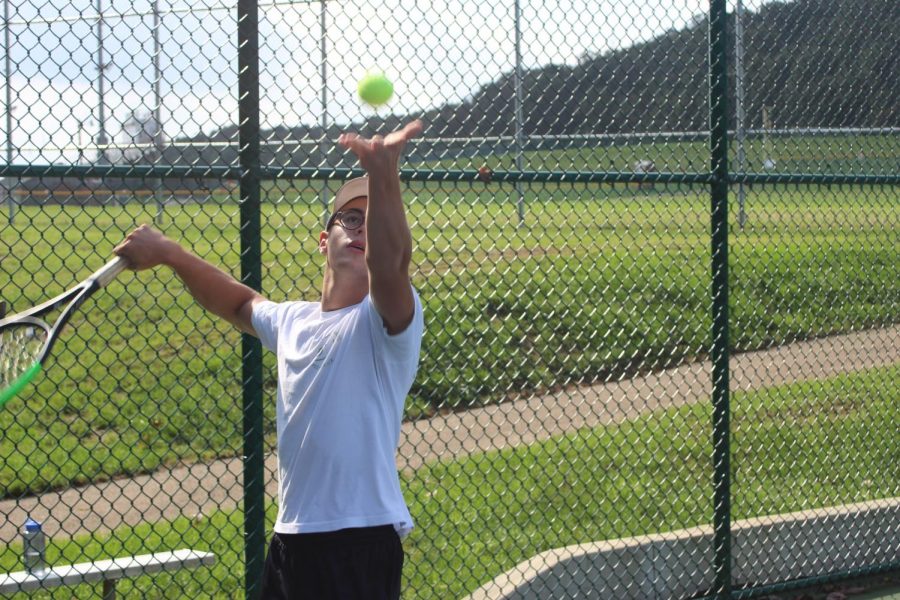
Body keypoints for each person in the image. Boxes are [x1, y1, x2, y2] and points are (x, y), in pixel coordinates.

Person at [114, 120, 425, 600]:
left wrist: (385, 176)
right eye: (351, 219)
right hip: (291, 540)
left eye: (373, 218)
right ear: (325, 241)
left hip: (359, 538)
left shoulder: (386, 323)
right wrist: (171, 254)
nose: (363, 228)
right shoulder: (293, 322)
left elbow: (389, 265)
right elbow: (239, 302)